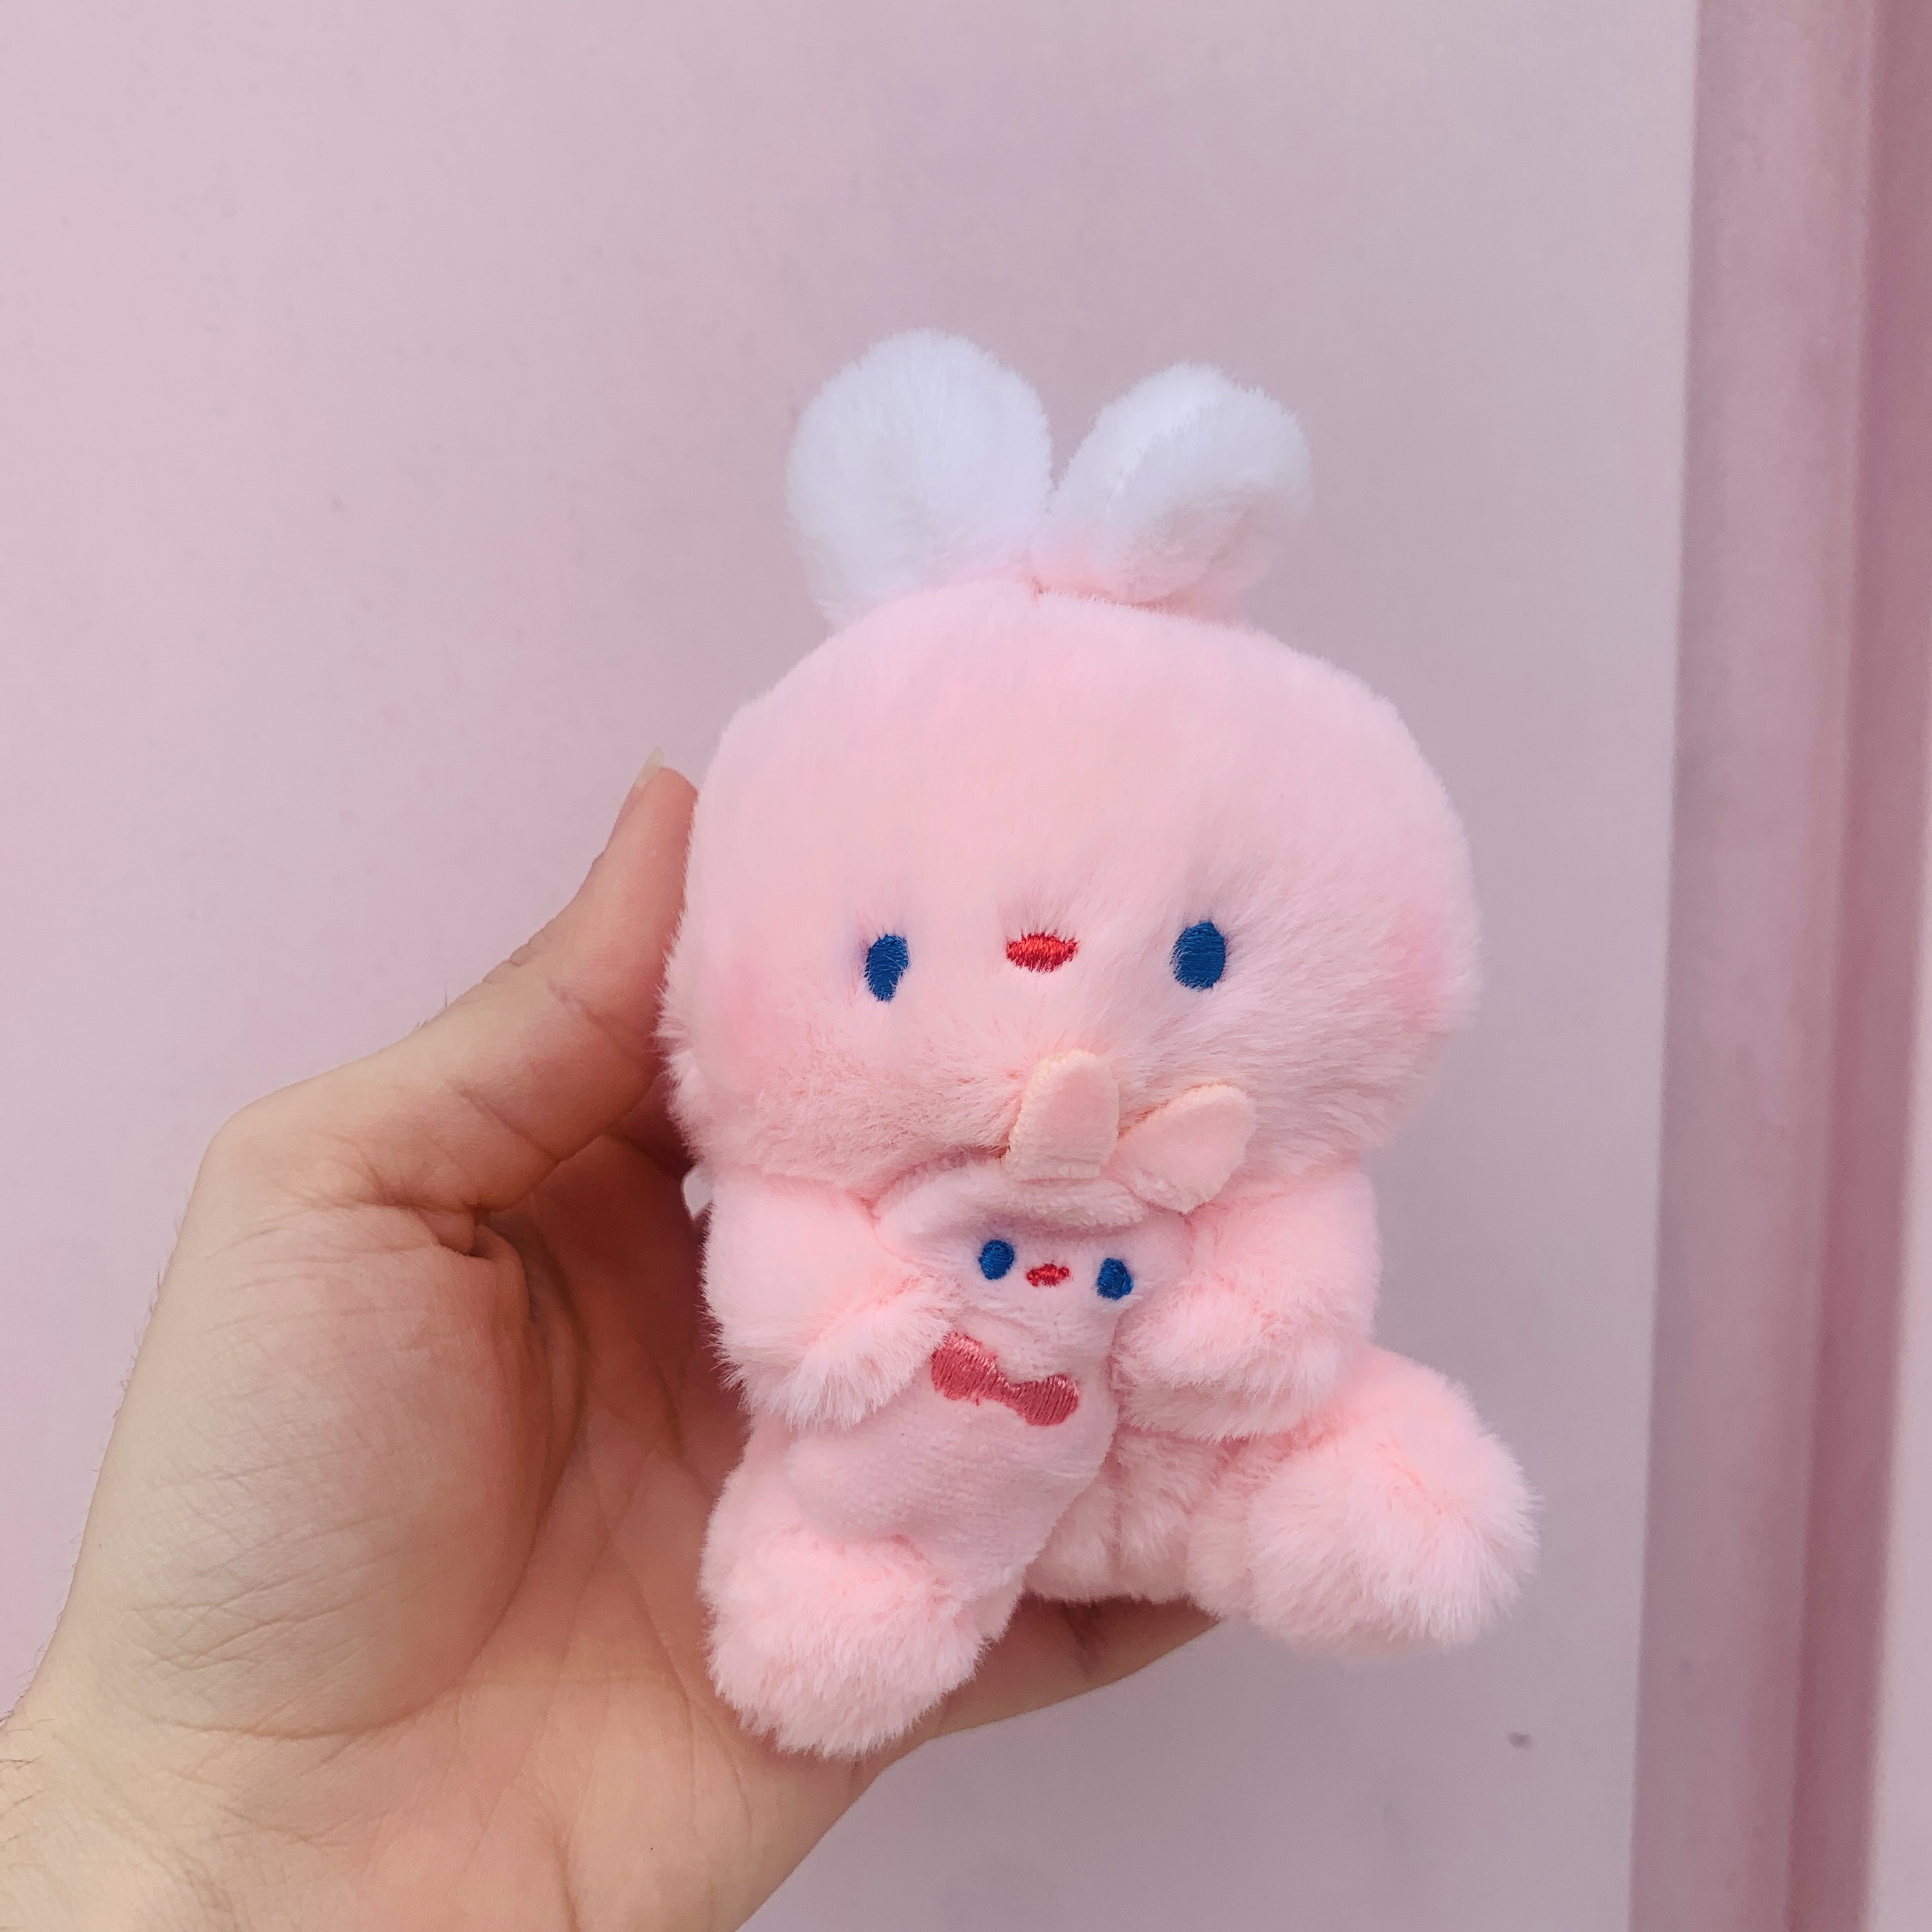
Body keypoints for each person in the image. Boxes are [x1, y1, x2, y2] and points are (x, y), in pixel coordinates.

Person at [0, 764, 1207, 1928]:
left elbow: (1238, 1315)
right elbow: (790, 1296)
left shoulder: (1163, 1194)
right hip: (836, 1489)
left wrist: (167, 1813)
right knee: (846, 1580)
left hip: (1048, 1474)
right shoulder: (829, 1174)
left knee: (1192, 1492)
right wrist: (180, 1797)